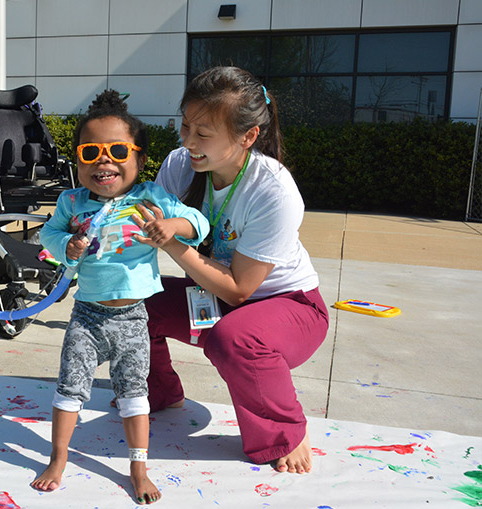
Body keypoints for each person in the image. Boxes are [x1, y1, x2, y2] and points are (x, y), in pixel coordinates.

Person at [132, 67, 329, 475]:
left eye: (203, 134)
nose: (188, 142)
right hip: (212, 295)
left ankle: (286, 431)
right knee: (131, 301)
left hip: (288, 307)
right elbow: (141, 223)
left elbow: (240, 290)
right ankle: (159, 393)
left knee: (235, 337)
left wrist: (172, 242)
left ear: (248, 136)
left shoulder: (272, 189)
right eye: (184, 126)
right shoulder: (180, 165)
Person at [31, 90, 209, 503]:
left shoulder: (149, 199)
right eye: (90, 151)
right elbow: (49, 235)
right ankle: (58, 458)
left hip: (132, 319)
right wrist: (66, 247)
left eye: (116, 150)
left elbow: (198, 223)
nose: (103, 161)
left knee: (133, 395)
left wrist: (171, 228)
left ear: (140, 159)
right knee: (69, 389)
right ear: (77, 160)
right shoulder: (71, 203)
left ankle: (138, 468)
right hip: (87, 317)